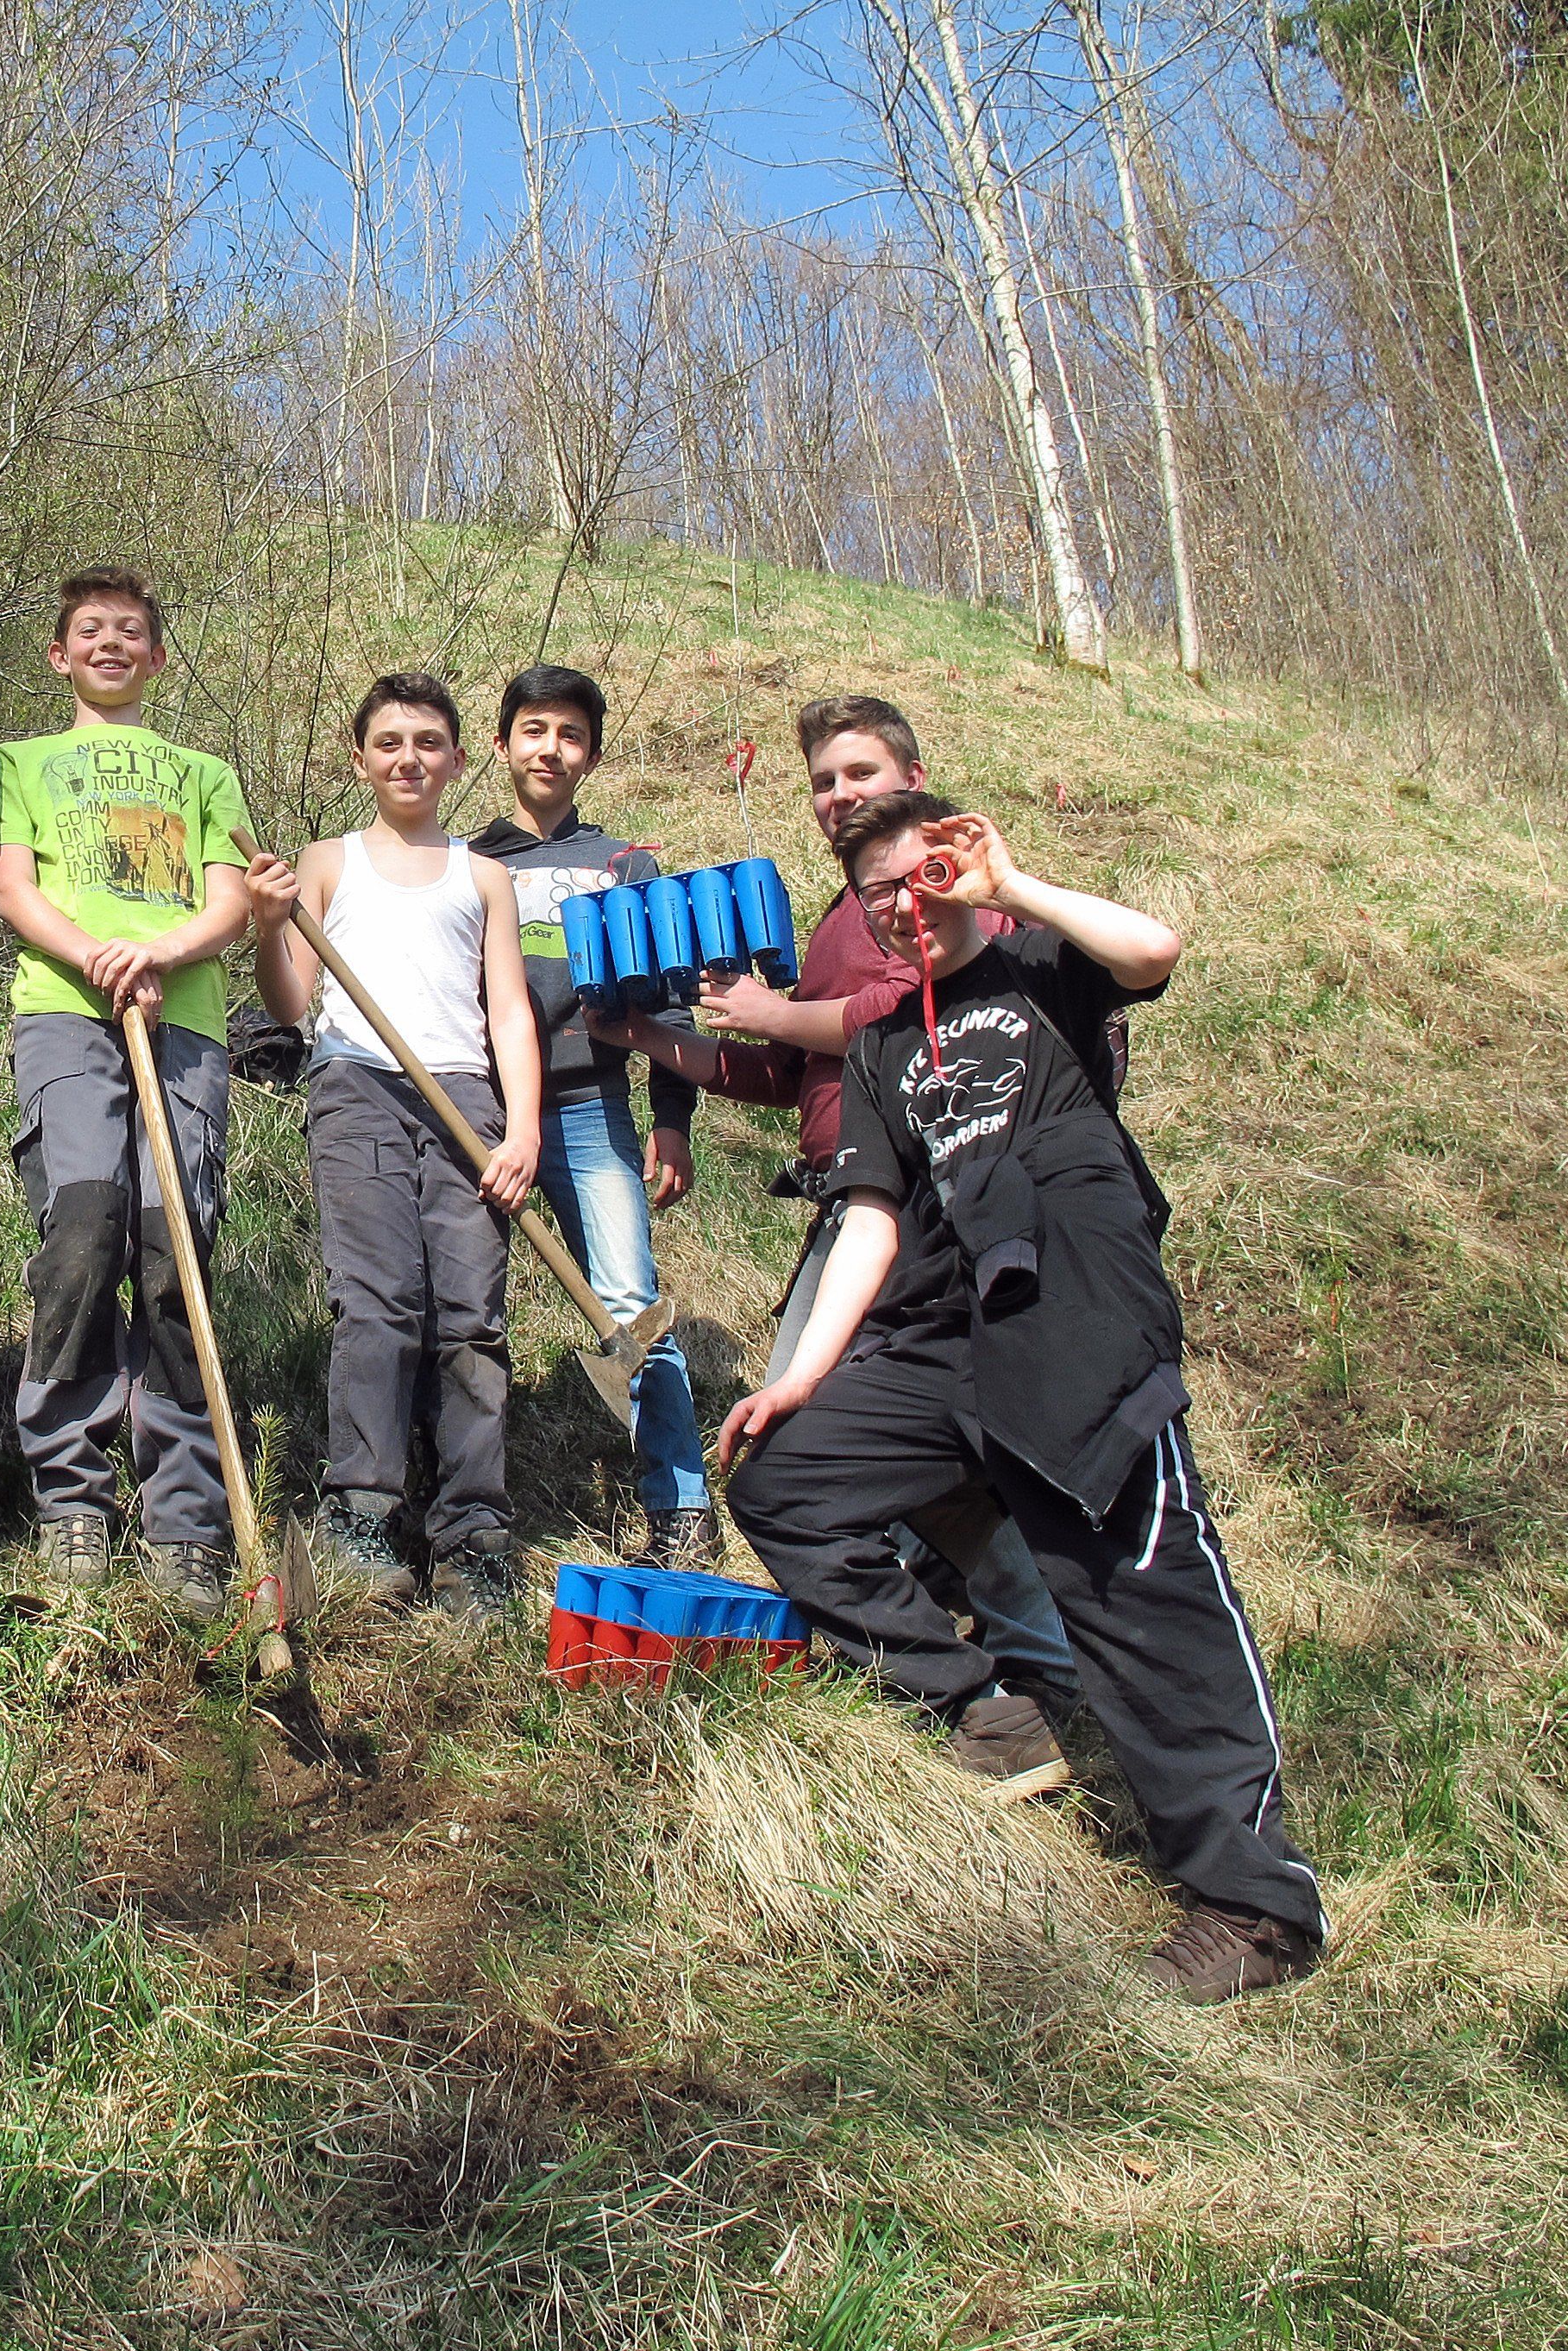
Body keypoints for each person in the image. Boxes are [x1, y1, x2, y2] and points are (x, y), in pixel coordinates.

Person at [719, 789, 1322, 2002]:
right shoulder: (885, 1043)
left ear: (962, 868)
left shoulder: (1047, 968)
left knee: (1142, 1595)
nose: (903, 909)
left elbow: (1157, 949)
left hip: (1074, 1316)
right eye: (878, 894)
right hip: (946, 1343)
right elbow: (875, 1221)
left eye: (920, 879)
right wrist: (801, 1378)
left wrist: (1011, 885)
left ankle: (1255, 1905)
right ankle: (985, 1709)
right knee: (783, 1477)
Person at [589, 695, 1082, 1795]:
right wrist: (660, 1040)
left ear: (912, 772)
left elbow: (921, 1013)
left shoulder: (938, 887)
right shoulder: (834, 919)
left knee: (814, 1450)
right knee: (908, 1464)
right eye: (820, 780)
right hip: (846, 1196)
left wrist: (780, 1015)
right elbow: (793, 1078)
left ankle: (1006, 1682)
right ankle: (1012, 1681)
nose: (838, 795)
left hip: (932, 1208)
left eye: (858, 773)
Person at [248, 672, 543, 1623]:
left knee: (468, 1314)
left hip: (464, 1102)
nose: (408, 758)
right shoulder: (327, 863)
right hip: (355, 1089)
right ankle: (363, 1513)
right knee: (375, 1305)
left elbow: (506, 1008)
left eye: (426, 741)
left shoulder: (482, 873)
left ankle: (472, 1536)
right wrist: (266, 927)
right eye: (388, 742)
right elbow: (293, 1006)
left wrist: (523, 1128)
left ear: (457, 758)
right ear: (358, 758)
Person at [0, 567, 253, 1615]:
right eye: (89, 631)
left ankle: (185, 1518)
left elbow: (229, 897)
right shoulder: (23, 761)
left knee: (170, 1244)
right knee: (83, 1227)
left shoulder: (204, 772)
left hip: (179, 1024)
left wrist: (161, 950)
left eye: (130, 632)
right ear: (60, 654)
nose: (109, 643)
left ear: (155, 656)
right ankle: (69, 1492)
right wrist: (97, 954)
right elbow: (11, 884)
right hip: (64, 1015)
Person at [469, 663, 714, 1564]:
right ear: (501, 746)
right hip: (479, 1107)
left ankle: (680, 1506)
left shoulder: (624, 867)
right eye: (532, 729)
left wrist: (673, 1116)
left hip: (587, 1104)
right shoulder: (469, 861)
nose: (549, 747)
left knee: (626, 1299)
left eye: (568, 734)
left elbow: (670, 999)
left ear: (591, 756)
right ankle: (466, 1506)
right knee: (464, 1303)